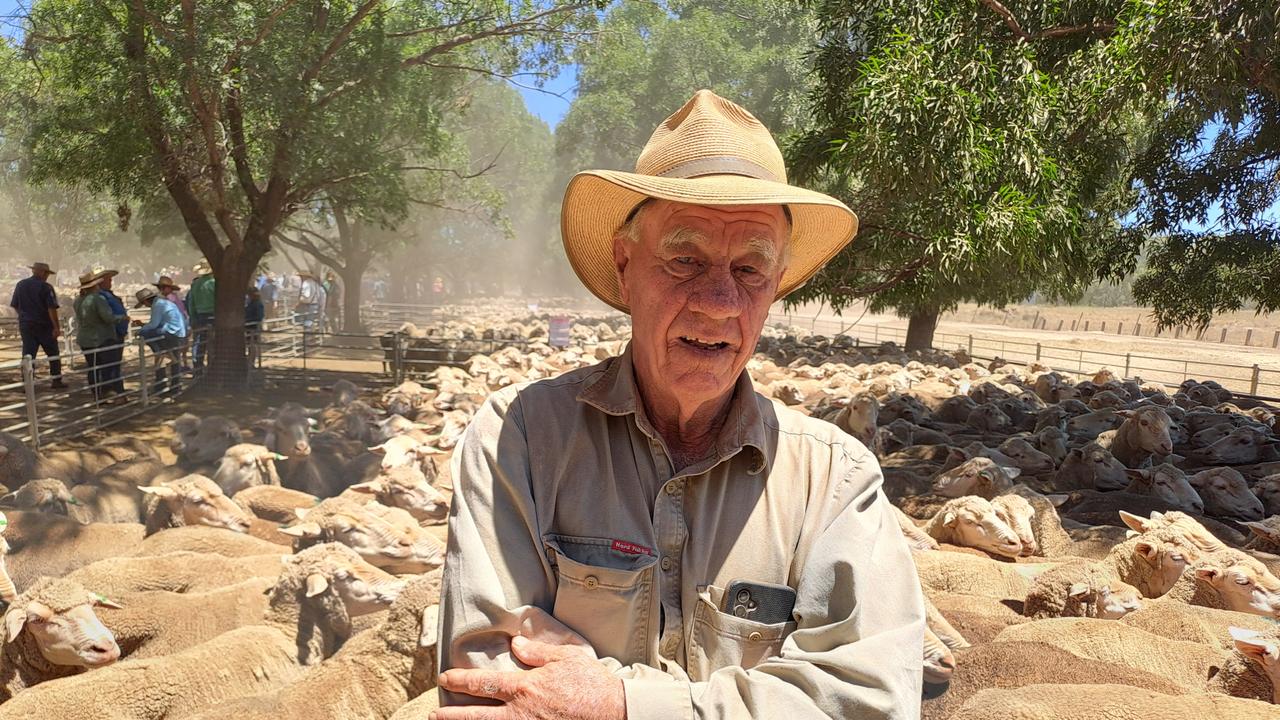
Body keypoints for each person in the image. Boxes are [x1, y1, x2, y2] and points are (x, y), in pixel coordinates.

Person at [435, 90, 924, 720]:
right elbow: (488, 687)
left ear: (775, 288)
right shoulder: (521, 439)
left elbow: (869, 702)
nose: (719, 301)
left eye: (751, 269)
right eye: (685, 259)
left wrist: (618, 704)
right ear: (624, 264)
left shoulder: (835, 480)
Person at [8, 261, 65, 389]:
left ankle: (27, 384)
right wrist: (56, 327)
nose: (47, 276)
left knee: (28, 354)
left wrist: (24, 315)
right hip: (44, 325)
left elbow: (15, 305)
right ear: (42, 273)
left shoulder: (20, 285)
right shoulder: (46, 287)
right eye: (46, 274)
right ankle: (56, 380)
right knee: (53, 353)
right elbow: (51, 308)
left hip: (26, 325)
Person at [74, 272, 125, 403]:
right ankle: (112, 393)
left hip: (85, 338)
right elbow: (108, 318)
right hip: (101, 338)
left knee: (93, 367)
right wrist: (121, 318)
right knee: (110, 366)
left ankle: (97, 395)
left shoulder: (78, 300)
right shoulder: (97, 299)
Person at [132, 287, 186, 397]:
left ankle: (159, 351)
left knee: (144, 334)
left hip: (170, 332)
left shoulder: (158, 305)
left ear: (146, 301)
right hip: (176, 332)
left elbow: (153, 325)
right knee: (174, 360)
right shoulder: (163, 303)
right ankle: (174, 386)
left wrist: (140, 330)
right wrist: (144, 326)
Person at [93, 269, 129, 396]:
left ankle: (109, 388)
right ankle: (114, 389)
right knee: (111, 363)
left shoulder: (109, 295)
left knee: (114, 362)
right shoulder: (101, 297)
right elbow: (107, 316)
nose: (111, 281)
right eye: (108, 279)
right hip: (112, 333)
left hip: (118, 332)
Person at [186, 262, 216, 371]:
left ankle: (198, 366)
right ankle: (212, 366)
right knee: (214, 341)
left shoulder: (195, 284)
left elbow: (191, 303)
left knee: (200, 342)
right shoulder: (214, 283)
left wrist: (193, 318)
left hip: (199, 316)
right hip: (214, 315)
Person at [156, 276, 191, 371]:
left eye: (164, 287)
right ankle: (179, 366)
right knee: (178, 349)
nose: (162, 289)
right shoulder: (171, 298)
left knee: (175, 349)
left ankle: (178, 368)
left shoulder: (169, 298)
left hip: (177, 326)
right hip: (179, 326)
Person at [244, 287, 265, 368]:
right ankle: (250, 361)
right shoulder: (251, 303)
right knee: (250, 345)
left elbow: (259, 316)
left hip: (254, 327)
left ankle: (251, 362)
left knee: (252, 345)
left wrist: (248, 320)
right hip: (249, 326)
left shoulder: (257, 304)